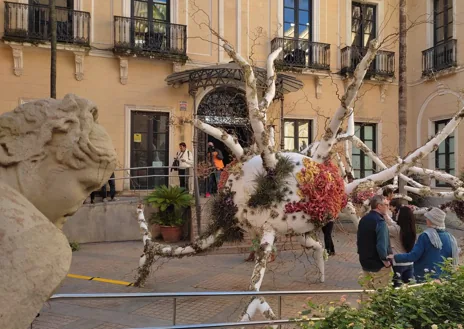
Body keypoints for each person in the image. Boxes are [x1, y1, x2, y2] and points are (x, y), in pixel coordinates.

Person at [392, 207, 459, 282]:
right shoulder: (451, 238)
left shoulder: (426, 236)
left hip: (426, 278)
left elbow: (413, 256)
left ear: (432, 220)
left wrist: (395, 257)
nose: (426, 220)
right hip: (445, 279)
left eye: (427, 218)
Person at [357, 195, 393, 289]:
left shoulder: (363, 219)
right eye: (386, 204)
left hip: (365, 261)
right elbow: (382, 245)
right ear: (379, 206)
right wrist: (387, 262)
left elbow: (359, 240)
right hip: (378, 264)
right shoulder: (380, 222)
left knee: (366, 294)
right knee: (381, 294)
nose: (388, 207)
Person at [385, 206, 416, 287]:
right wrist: (385, 214)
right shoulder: (411, 228)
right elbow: (392, 223)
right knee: (409, 289)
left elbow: (382, 228)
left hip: (398, 264)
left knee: (397, 291)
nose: (396, 214)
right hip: (409, 263)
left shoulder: (395, 229)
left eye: (398, 213)